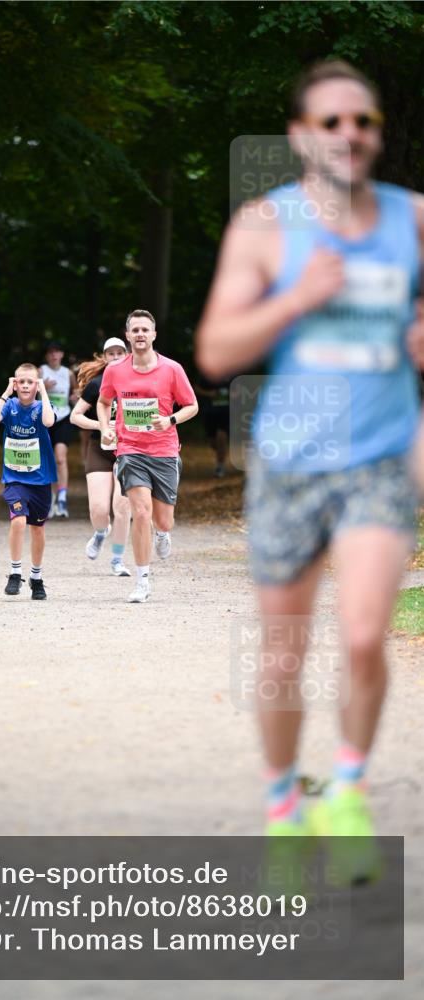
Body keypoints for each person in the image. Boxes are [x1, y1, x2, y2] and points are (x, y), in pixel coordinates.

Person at [195, 60, 424, 876]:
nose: (348, 135)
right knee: (283, 653)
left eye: (361, 121)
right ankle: (284, 807)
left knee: (364, 633)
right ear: (299, 136)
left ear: (376, 133)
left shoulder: (412, 221)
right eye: (330, 122)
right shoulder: (266, 225)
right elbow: (216, 351)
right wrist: (296, 298)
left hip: (377, 460)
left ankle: (350, 790)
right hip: (291, 463)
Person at [98, 310, 199, 603]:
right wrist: (106, 429)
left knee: (163, 520)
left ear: (154, 335)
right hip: (130, 450)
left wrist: (170, 420)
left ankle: (162, 534)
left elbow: (191, 405)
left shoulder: (172, 369)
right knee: (140, 512)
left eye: (145, 330)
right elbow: (104, 403)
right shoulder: (115, 370)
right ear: (127, 335)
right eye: (135, 330)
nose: (140, 334)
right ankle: (142, 581)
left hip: (165, 451)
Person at [0, 363, 56, 600]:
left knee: (37, 528)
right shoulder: (10, 406)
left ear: (36, 384)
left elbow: (48, 422)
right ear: (16, 384)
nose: (26, 386)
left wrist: (44, 391)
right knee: (18, 521)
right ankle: (15, 572)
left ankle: (36, 577)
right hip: (15, 478)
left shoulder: (42, 406)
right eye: (21, 382)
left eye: (31, 382)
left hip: (40, 479)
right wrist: (7, 392)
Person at [70, 337, 132, 576]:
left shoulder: (137, 382)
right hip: (100, 449)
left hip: (128, 450)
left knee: (123, 505)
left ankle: (117, 559)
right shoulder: (97, 384)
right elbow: (76, 416)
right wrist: (102, 425)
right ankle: (100, 532)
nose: (115, 357)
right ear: (105, 357)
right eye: (111, 353)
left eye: (120, 353)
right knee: (98, 509)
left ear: (127, 355)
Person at [39, 342, 78, 517]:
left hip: (64, 418)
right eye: (51, 352)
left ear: (62, 354)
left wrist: (74, 397)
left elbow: (76, 394)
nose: (54, 355)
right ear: (47, 355)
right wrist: (43, 389)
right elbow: (28, 394)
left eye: (57, 352)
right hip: (46, 419)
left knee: (60, 458)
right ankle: (50, 498)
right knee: (48, 460)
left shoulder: (68, 373)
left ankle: (62, 498)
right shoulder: (41, 371)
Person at [196, 375, 231, 476]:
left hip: (225, 412)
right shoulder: (208, 374)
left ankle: (220, 466)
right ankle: (221, 450)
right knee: (213, 443)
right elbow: (196, 389)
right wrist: (209, 393)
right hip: (210, 412)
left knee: (222, 437)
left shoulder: (232, 373)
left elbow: (239, 388)